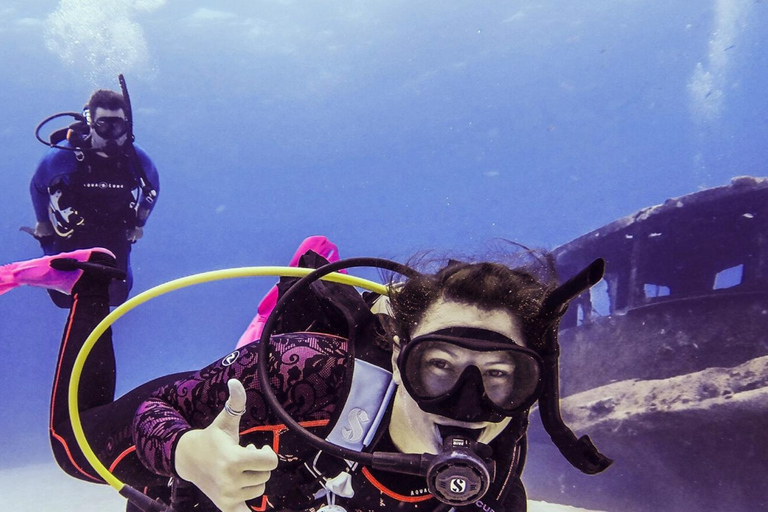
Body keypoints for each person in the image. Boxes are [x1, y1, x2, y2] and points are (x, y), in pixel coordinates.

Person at [0, 244, 609, 512]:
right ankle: (90, 284)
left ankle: (292, 287)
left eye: (500, 377)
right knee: (70, 448)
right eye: (439, 367)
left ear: (533, 384)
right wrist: (188, 453)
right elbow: (160, 407)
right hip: (217, 433)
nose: (466, 403)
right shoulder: (309, 372)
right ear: (400, 354)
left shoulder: (498, 450)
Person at [29, 88, 159, 308]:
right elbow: (38, 186)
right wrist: (42, 222)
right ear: (91, 124)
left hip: (114, 227)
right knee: (61, 298)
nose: (112, 134)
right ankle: (48, 248)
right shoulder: (62, 156)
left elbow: (152, 191)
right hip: (72, 228)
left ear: (128, 126)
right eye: (103, 126)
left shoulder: (137, 160)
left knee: (118, 296)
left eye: (117, 126)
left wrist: (138, 223)